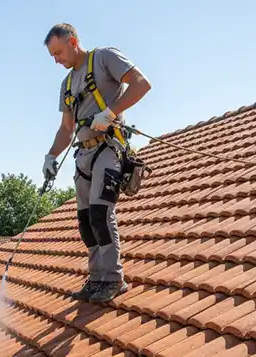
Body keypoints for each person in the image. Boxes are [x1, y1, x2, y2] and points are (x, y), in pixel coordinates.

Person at [43, 23, 151, 303]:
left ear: (73, 41)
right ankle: (96, 278)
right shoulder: (66, 84)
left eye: (58, 52)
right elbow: (66, 129)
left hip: (109, 148)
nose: (56, 60)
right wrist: (51, 155)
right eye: (52, 56)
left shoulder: (104, 58)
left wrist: (110, 112)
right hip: (83, 155)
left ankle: (114, 279)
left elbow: (142, 84)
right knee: (85, 221)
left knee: (101, 214)